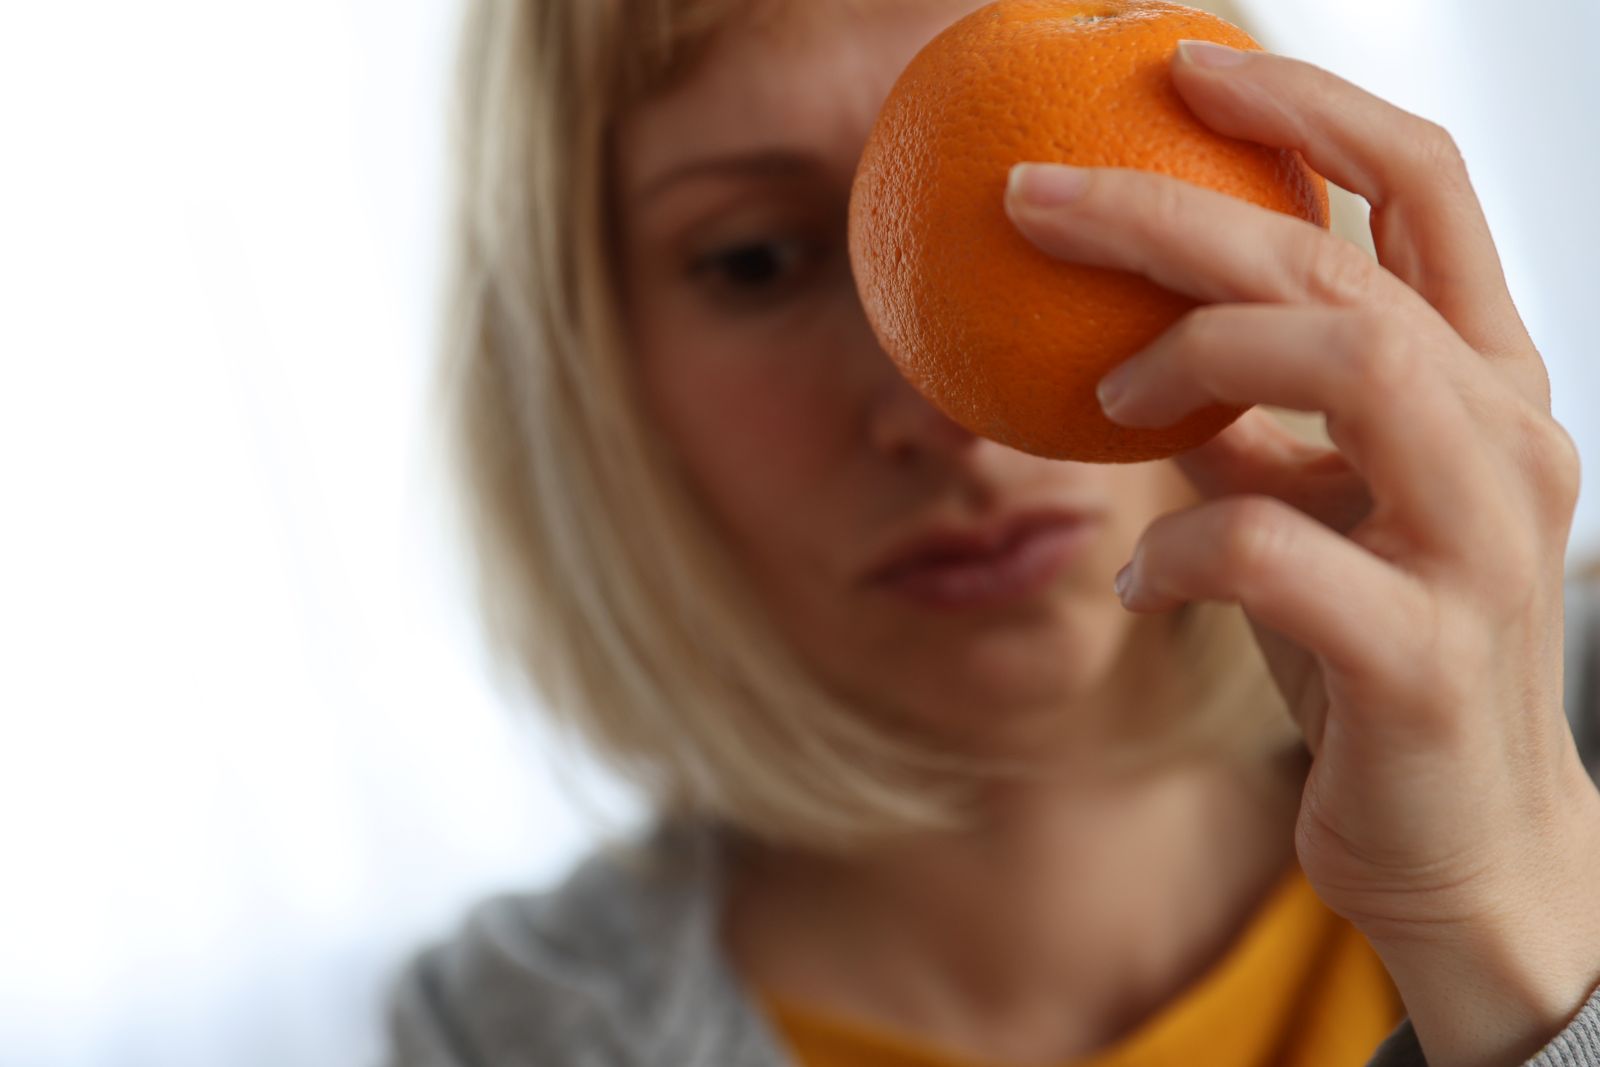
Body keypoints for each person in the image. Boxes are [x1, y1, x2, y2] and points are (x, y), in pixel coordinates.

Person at [386, 1, 1600, 1064]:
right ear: (591, 364)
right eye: (757, 260)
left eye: (1041, 215)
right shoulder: (514, 1032)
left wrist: (1509, 910)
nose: (941, 410)